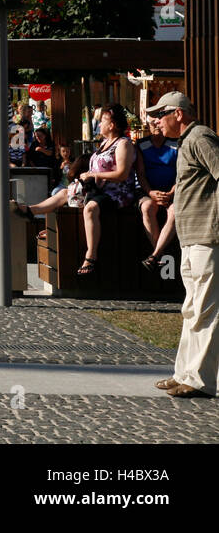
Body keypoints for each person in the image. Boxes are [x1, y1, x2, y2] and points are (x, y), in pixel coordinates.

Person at [146, 92, 219, 397]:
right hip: (191, 238)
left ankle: (199, 379)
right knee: (191, 310)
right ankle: (184, 373)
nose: (155, 121)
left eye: (161, 114)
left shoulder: (200, 136)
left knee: (204, 310)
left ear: (178, 114)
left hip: (207, 235)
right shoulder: (186, 141)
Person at [71, 104, 137, 276]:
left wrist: (95, 175)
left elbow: (122, 174)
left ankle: (90, 256)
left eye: (102, 121)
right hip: (99, 191)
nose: (99, 124)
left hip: (117, 193)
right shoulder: (104, 143)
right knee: (65, 194)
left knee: (91, 208)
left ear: (112, 125)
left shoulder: (123, 144)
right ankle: (33, 213)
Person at [137, 114, 179, 271]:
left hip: (173, 191)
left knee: (175, 211)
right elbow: (140, 174)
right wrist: (151, 192)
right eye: (151, 123)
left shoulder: (176, 144)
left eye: (158, 123)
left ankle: (155, 255)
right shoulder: (141, 144)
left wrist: (171, 193)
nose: (155, 126)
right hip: (149, 191)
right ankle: (159, 254)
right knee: (147, 207)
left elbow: (181, 173)